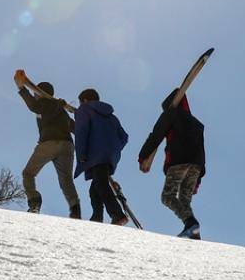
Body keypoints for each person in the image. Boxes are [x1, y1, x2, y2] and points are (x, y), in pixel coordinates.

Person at [138, 88, 205, 238]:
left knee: (167, 196)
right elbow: (201, 151)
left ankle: (191, 223)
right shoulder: (196, 123)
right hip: (196, 166)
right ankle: (193, 232)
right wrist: (198, 180)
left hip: (178, 160)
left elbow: (156, 135)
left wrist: (143, 156)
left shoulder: (171, 114)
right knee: (184, 200)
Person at [14, 74, 81, 217]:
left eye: (35, 93)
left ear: (38, 93)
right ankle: (75, 209)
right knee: (66, 180)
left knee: (28, 174)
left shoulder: (45, 103)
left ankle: (34, 202)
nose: (34, 95)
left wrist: (21, 89)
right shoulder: (62, 109)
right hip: (67, 146)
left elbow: (33, 106)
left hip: (49, 143)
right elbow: (76, 129)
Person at [73, 88, 129, 226]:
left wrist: (81, 155)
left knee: (101, 184)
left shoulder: (84, 109)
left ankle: (117, 214)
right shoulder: (112, 116)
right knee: (95, 188)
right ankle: (96, 218)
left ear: (85, 100)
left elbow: (81, 132)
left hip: (96, 153)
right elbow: (124, 137)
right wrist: (113, 148)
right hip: (110, 155)